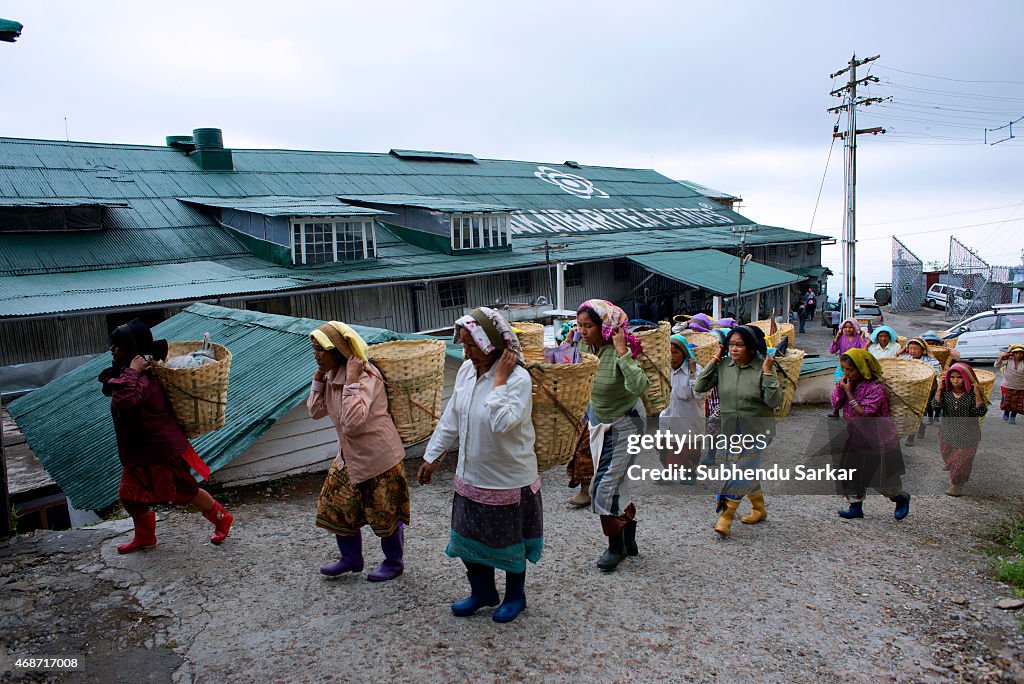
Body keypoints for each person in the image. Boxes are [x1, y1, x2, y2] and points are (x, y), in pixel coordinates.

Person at [418, 307, 541, 623]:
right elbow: (452, 417)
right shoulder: (466, 372)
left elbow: (502, 423)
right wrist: (433, 456)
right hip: (470, 476)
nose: (465, 351)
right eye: (463, 344)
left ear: (490, 344)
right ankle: (483, 591)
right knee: (467, 540)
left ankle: (516, 596)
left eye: (472, 345)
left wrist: (498, 380)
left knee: (510, 544)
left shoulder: (517, 379)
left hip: (507, 479)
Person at [99, 319, 234, 554]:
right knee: (130, 497)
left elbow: (124, 402)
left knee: (186, 491)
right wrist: (130, 372)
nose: (113, 351)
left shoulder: (141, 380)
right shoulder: (133, 377)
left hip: (160, 452)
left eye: (117, 346)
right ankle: (145, 537)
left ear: (131, 351)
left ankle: (222, 518)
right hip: (139, 452)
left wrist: (132, 371)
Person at [308, 321, 409, 582]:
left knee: (384, 509)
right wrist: (318, 381)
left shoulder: (365, 375)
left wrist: (351, 382)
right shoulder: (330, 375)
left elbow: (353, 423)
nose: (316, 355)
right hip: (349, 457)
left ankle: (394, 562)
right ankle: (351, 558)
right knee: (336, 505)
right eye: (314, 349)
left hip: (378, 457)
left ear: (337, 350)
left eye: (321, 350)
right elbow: (316, 411)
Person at [573, 299, 648, 571]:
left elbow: (640, 385)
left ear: (605, 326)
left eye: (589, 326)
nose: (583, 330)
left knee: (603, 487)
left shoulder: (620, 351)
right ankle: (629, 541)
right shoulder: (583, 347)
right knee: (616, 484)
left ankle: (615, 548)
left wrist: (622, 351)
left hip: (626, 424)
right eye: (579, 325)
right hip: (599, 423)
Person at [694, 325, 782, 537]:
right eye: (731, 344)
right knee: (739, 471)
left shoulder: (763, 366)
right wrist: (716, 357)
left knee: (741, 470)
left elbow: (774, 400)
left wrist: (768, 373)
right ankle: (759, 509)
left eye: (739, 345)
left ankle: (726, 516)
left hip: (758, 432)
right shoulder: (724, 366)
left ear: (751, 348)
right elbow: (700, 386)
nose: (734, 349)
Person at [832, 349, 911, 520]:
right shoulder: (847, 382)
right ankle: (855, 507)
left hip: (879, 439)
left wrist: (849, 392)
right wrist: (841, 389)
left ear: (863, 368)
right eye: (844, 369)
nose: (847, 373)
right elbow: (835, 403)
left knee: (881, 478)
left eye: (850, 370)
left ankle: (900, 497)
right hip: (857, 437)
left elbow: (864, 412)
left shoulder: (876, 388)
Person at [933, 362, 988, 496]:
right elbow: (936, 407)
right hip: (948, 431)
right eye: (952, 377)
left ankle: (956, 484)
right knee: (948, 456)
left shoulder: (971, 393)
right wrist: (939, 389)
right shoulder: (945, 392)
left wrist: (977, 394)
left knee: (963, 460)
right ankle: (954, 471)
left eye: (959, 377)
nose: (955, 381)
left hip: (968, 433)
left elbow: (980, 411)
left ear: (966, 378)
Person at [659, 335, 703, 481]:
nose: (672, 357)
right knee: (664, 447)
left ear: (684, 353)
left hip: (689, 418)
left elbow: (699, 395)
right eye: (669, 352)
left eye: (676, 352)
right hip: (670, 417)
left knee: (688, 449)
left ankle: (690, 472)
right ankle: (668, 471)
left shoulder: (697, 371)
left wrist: (692, 373)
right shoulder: (666, 370)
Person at [900, 338, 944, 446]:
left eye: (916, 349)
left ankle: (911, 437)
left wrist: (932, 355)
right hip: (910, 390)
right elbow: (896, 364)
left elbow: (938, 371)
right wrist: (901, 351)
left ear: (922, 350)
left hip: (925, 390)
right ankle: (921, 426)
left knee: (919, 412)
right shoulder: (906, 358)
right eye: (911, 348)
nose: (913, 351)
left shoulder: (928, 360)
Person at [699, 327, 732, 468]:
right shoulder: (720, 362)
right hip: (717, 399)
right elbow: (702, 382)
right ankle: (711, 454)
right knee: (713, 428)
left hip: (731, 403)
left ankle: (729, 457)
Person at [828, 319, 869, 418]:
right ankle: (836, 409)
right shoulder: (841, 337)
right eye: (846, 327)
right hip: (842, 367)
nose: (848, 329)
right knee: (839, 387)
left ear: (855, 327)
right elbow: (832, 350)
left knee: (852, 388)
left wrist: (863, 339)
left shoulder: (859, 338)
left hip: (855, 368)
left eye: (850, 327)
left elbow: (864, 351)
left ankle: (852, 410)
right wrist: (836, 338)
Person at [998, 344, 1024, 424]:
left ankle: (1013, 417)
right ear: (1013, 353)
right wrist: (1001, 357)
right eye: (1016, 353)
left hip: (1021, 386)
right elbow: (997, 365)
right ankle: (1006, 412)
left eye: (1020, 353)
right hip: (1007, 384)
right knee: (1006, 400)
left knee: (1017, 402)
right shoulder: (1008, 359)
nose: (1018, 355)